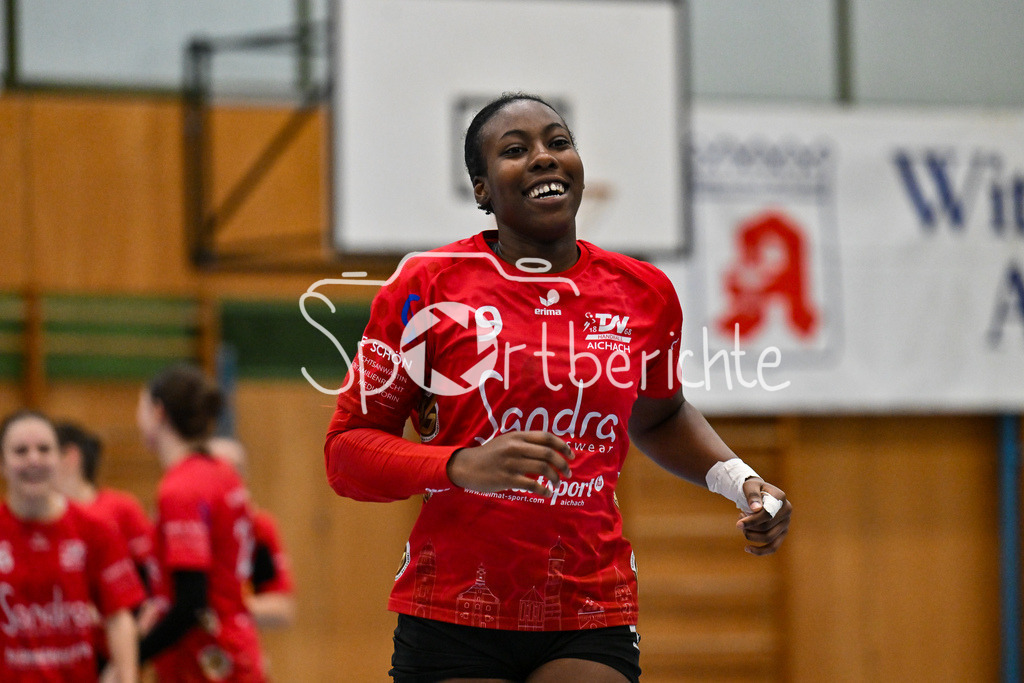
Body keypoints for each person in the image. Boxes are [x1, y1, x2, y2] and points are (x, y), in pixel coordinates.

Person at [323, 92, 793, 682]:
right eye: (516, 151)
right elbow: (347, 452)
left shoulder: (643, 292)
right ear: (482, 190)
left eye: (558, 142)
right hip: (454, 608)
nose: (544, 157)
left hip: (589, 602)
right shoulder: (425, 287)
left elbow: (660, 415)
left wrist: (741, 481)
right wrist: (461, 464)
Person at [136, 364, 266, 682]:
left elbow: (191, 602)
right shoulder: (223, 473)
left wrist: (132, 654)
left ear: (157, 412)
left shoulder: (182, 487)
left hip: (203, 661)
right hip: (236, 647)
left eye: (139, 406)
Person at [0, 409, 145, 683]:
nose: (34, 459)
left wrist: (126, 677)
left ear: (59, 458)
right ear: (3, 464)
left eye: (44, 449)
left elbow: (119, 617)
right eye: (20, 451)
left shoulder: (95, 528)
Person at [55, 421, 159, 594]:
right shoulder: (49, 516)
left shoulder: (121, 507)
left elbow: (148, 568)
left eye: (46, 451)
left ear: (70, 456)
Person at [208, 436, 296, 630]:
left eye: (235, 472)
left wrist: (223, 607)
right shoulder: (190, 530)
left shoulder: (259, 529)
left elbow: (282, 609)